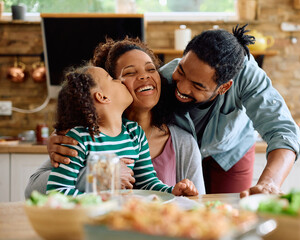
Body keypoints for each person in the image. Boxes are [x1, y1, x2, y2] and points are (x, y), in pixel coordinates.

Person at [40, 24, 300, 196]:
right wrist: (67, 137)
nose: (181, 87)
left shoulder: (246, 80)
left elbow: (282, 130)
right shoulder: (155, 84)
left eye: (197, 85)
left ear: (223, 88)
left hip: (228, 153)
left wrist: (269, 183)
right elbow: (43, 186)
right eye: (181, 71)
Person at [25, 38, 205, 198]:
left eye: (151, 69)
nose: (144, 76)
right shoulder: (80, 136)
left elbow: (158, 187)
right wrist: (103, 175)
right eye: (128, 73)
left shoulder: (154, 138)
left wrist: (174, 191)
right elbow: (35, 190)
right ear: (102, 95)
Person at [46, 65, 198, 197]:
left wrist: (172, 191)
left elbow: (147, 183)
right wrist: (100, 194)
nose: (120, 81)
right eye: (112, 79)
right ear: (102, 97)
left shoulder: (135, 133)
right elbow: (55, 192)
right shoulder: (79, 139)